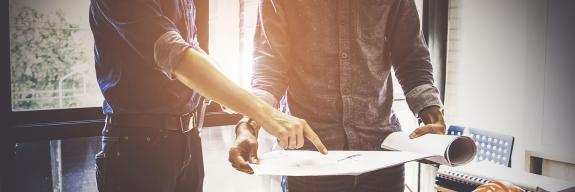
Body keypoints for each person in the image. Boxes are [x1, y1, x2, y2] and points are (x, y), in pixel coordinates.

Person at [89, 0, 327, 191]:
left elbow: (193, 49)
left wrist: (238, 106)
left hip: (187, 140)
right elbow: (176, 54)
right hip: (137, 148)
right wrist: (263, 114)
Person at [228, 0, 446, 191]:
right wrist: (249, 124)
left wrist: (432, 114)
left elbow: (412, 59)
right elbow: (269, 71)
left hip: (382, 155)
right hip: (309, 161)